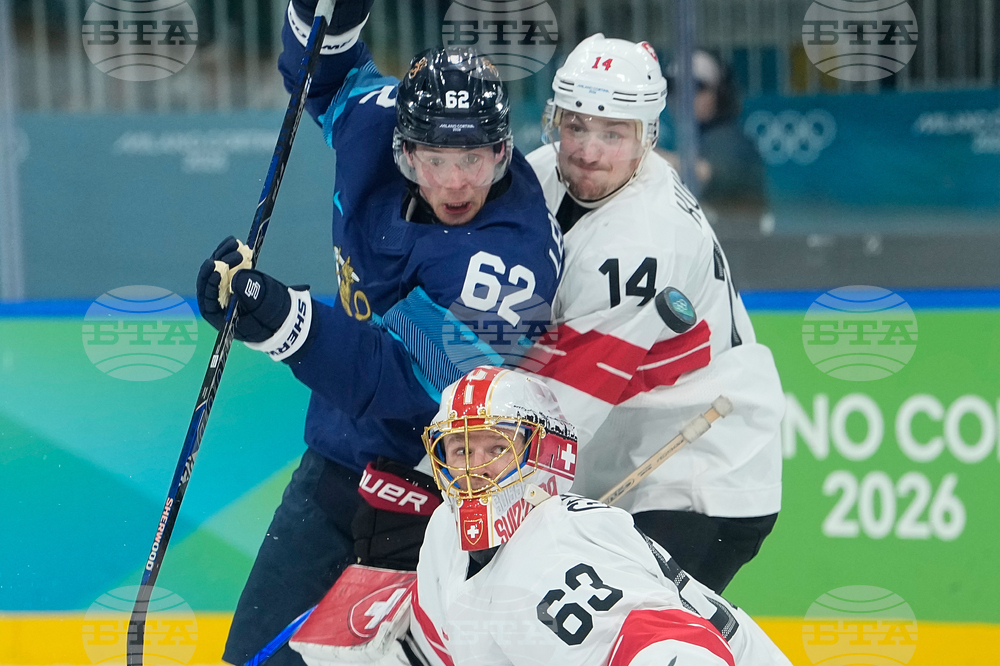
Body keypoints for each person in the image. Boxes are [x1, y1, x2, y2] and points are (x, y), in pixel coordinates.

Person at [194, 2, 562, 664]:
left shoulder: (511, 266)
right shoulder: (374, 122)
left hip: (448, 501)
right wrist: (326, 15)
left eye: (475, 159)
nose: (455, 182)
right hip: (337, 466)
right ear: (403, 146)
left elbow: (406, 384)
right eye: (435, 159)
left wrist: (280, 319)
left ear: (503, 153)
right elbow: (324, 74)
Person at [524, 34, 784, 594]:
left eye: (613, 133)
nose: (588, 151)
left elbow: (557, 415)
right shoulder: (539, 173)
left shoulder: (641, 240)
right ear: (554, 120)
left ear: (648, 136)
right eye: (576, 126)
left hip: (699, 473)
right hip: (630, 456)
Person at [411, 366, 792, 666]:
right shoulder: (445, 535)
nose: (476, 469)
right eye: (460, 450)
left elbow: (677, 648)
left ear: (543, 455)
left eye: (498, 447)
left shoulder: (556, 552)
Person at [658, 49, 770, 233]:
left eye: (696, 87)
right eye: (673, 87)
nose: (683, 96)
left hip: (738, 252)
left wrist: (642, 157)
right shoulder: (688, 138)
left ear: (720, 93)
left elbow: (704, 172)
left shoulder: (730, 139)